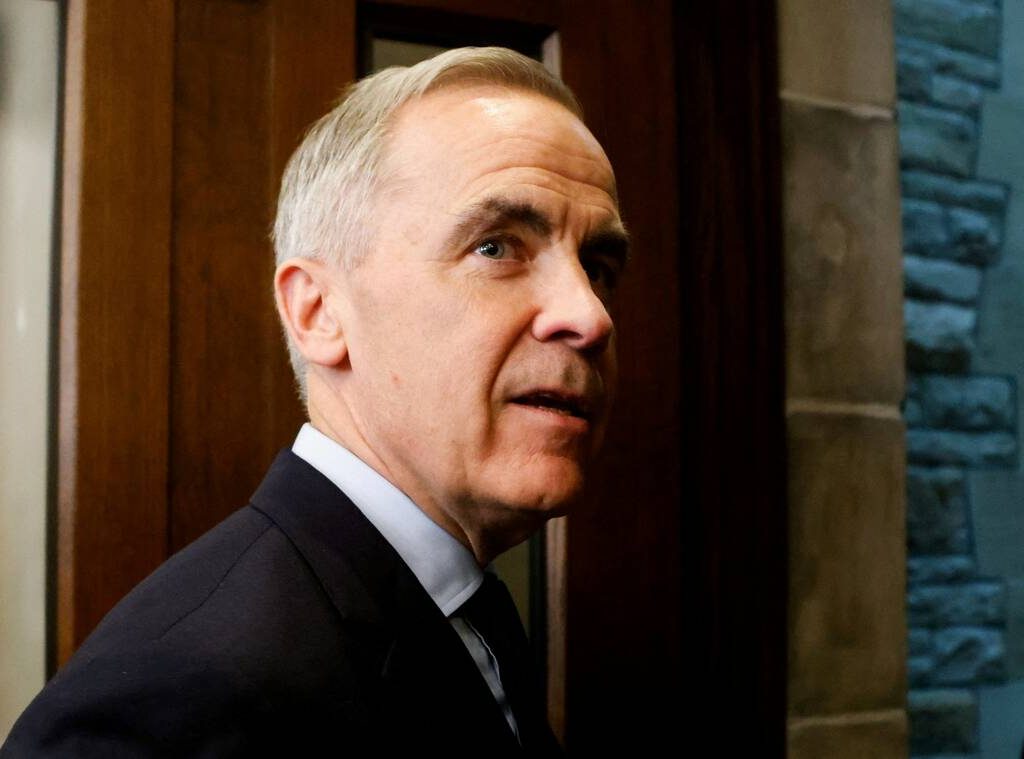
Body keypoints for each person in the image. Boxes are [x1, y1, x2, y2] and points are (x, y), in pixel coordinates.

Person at [1, 46, 628, 756]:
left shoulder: (465, 606)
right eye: (496, 247)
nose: (590, 315)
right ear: (319, 312)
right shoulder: (174, 700)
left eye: (599, 267)